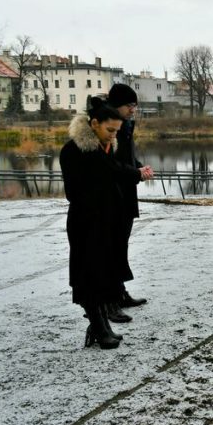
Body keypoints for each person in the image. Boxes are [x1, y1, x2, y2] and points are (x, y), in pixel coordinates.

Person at [60, 98, 141, 349]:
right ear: (94, 123)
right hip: (86, 223)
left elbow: (113, 172)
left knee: (104, 274)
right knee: (89, 276)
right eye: (110, 130)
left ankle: (101, 325)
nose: (113, 135)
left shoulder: (103, 148)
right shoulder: (75, 150)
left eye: (116, 131)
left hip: (105, 220)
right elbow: (77, 191)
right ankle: (98, 326)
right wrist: (132, 174)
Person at [106, 83, 154, 323]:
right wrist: (135, 173)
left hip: (124, 196)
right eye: (130, 105)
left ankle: (120, 292)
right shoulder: (108, 128)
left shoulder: (123, 126)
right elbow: (109, 165)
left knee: (120, 247)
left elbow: (125, 158)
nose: (134, 110)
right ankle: (110, 301)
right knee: (110, 250)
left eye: (135, 105)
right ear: (118, 105)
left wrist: (139, 167)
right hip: (111, 198)